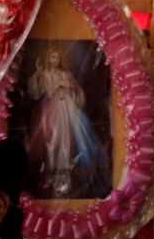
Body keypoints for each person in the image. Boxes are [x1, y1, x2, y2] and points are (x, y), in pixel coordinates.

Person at [24, 47, 111, 199]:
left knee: (69, 142)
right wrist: (39, 73)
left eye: (57, 57)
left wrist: (74, 88)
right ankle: (51, 177)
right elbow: (36, 92)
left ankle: (64, 179)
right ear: (48, 58)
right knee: (52, 142)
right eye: (52, 57)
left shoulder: (67, 74)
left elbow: (78, 91)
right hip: (52, 109)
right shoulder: (45, 73)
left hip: (69, 110)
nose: (55, 60)